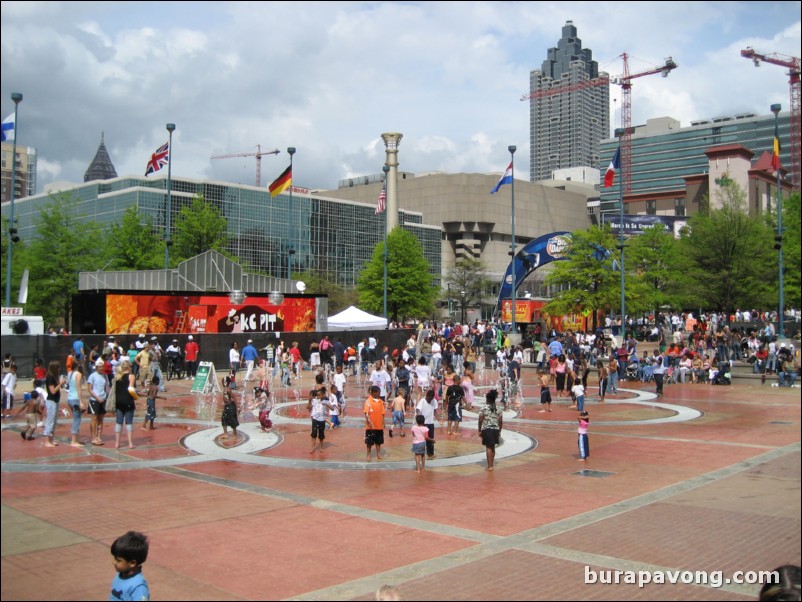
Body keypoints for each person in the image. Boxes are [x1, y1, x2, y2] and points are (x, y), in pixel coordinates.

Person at [109, 530, 150, 601]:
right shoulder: (119, 575)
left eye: (118, 560)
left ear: (132, 563)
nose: (114, 562)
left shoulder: (138, 587)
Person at [113, 359, 138, 449]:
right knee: (129, 422)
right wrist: (136, 397)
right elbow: (130, 389)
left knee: (118, 422)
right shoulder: (131, 376)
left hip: (118, 402)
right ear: (128, 367)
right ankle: (130, 443)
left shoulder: (117, 376)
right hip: (128, 401)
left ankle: (117, 443)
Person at [478, 389, 503, 471]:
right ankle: (491, 463)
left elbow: (480, 420)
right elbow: (500, 421)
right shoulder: (498, 409)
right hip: (495, 429)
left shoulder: (484, 408)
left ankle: (490, 466)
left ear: (487, 399)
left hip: (487, 429)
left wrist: (479, 430)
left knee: (488, 447)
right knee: (493, 447)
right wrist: (499, 431)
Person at [44, 361, 67, 447]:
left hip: (56, 401)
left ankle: (51, 439)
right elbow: (52, 391)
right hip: (51, 401)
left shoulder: (54, 377)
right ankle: (47, 441)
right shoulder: (49, 377)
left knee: (54, 421)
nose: (59, 369)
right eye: (58, 367)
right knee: (50, 421)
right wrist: (60, 384)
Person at [87, 358, 110, 445]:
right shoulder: (92, 376)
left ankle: (99, 437)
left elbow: (106, 388)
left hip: (103, 399)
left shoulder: (104, 376)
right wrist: (97, 398)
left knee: (101, 419)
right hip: (95, 400)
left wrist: (108, 397)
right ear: (96, 367)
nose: (101, 368)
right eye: (99, 367)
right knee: (94, 418)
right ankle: (93, 437)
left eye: (102, 367)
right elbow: (90, 389)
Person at [66, 363, 86, 447]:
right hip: (75, 399)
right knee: (77, 419)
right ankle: (74, 441)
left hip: (70, 398)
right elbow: (79, 388)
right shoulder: (78, 374)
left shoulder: (70, 373)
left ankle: (76, 439)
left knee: (76, 417)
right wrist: (81, 401)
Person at [415, 388, 439, 459]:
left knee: (430, 439)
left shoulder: (434, 401)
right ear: (427, 396)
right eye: (429, 398)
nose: (430, 400)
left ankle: (430, 454)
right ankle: (419, 453)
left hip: (430, 423)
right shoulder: (422, 401)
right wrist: (419, 417)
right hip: (423, 423)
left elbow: (434, 411)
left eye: (431, 398)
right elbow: (418, 409)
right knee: (421, 439)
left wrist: (439, 419)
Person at [364, 385, 386, 460]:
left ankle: (378, 454)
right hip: (370, 426)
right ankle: (368, 454)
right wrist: (369, 423)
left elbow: (383, 413)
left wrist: (383, 423)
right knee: (369, 442)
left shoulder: (381, 402)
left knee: (378, 442)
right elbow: (366, 413)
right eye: (378, 393)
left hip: (379, 425)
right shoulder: (368, 401)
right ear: (373, 393)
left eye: (379, 393)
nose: (379, 394)